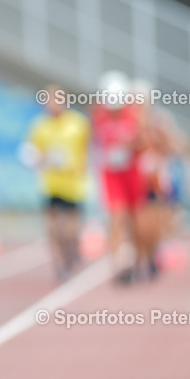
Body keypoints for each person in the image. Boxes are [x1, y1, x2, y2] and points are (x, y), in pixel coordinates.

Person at [22, 85, 91, 281]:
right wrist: (39, 160)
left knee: (69, 230)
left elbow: (86, 150)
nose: (53, 104)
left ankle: (72, 249)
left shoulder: (78, 124)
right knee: (53, 229)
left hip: (73, 185)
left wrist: (76, 166)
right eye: (49, 101)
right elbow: (31, 152)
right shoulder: (40, 126)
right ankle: (60, 264)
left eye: (56, 100)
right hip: (50, 185)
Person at [91, 71, 144, 285]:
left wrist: (130, 145)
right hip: (111, 174)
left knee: (135, 220)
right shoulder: (98, 115)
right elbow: (96, 141)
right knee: (117, 217)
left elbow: (143, 142)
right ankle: (118, 264)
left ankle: (136, 259)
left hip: (132, 173)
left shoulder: (134, 114)